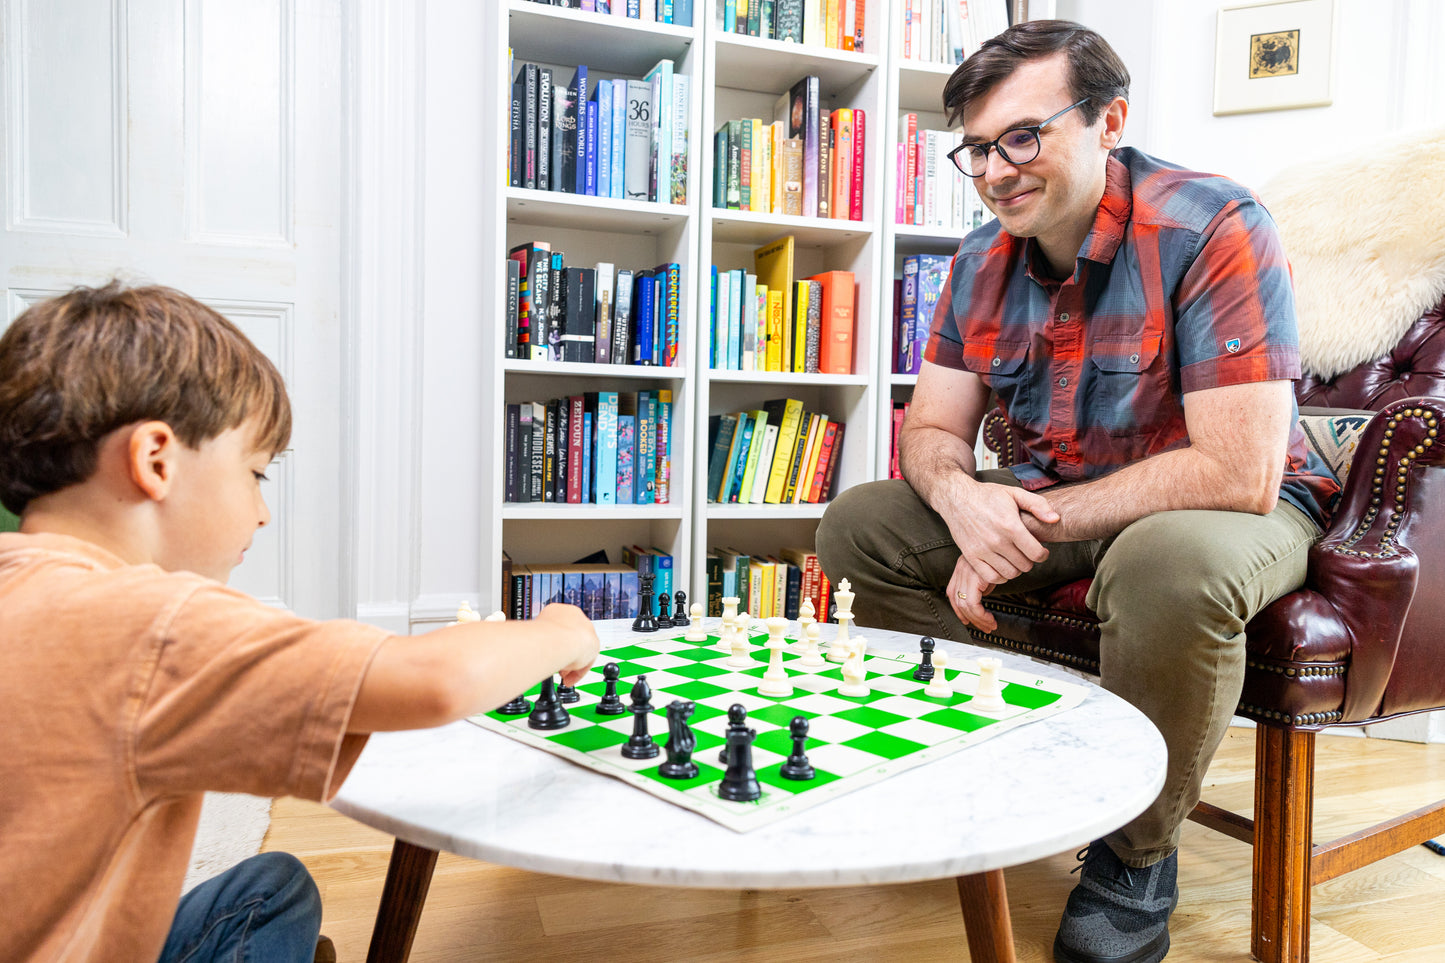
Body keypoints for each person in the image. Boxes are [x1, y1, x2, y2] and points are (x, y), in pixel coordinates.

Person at [816, 20, 1338, 963]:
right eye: (975, 148)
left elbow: (1238, 470)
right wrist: (962, 500)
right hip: (1055, 496)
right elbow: (929, 432)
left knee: (1167, 567)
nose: (995, 169)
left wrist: (1010, 518)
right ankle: (1009, 758)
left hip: (1224, 514)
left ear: (1109, 121)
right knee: (862, 524)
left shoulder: (1213, 223)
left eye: (1023, 135)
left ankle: (1135, 852)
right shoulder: (977, 259)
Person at [0, 282, 600, 963]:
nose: (262, 512)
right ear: (155, 460)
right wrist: (562, 630)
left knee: (271, 888)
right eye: (256, 474)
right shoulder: (149, 625)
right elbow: (438, 679)